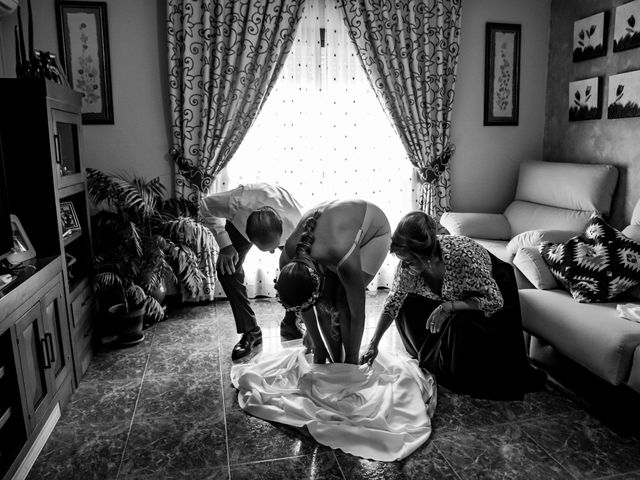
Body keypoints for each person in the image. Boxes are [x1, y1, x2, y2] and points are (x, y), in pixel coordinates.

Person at [359, 211, 546, 400]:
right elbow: (393, 302)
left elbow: (495, 301)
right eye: (401, 261)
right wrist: (373, 344)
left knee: (460, 323)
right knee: (405, 303)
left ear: (426, 257)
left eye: (408, 261)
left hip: (491, 291)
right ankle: (436, 359)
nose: (404, 267)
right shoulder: (409, 265)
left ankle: (461, 367)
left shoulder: (462, 258)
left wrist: (450, 306)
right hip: (456, 293)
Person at [275, 199, 391, 364]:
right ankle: (334, 358)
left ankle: (348, 359)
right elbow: (304, 305)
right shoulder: (287, 259)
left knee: (343, 299)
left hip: (373, 232)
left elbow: (358, 314)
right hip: (337, 229)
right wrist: (318, 345)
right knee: (325, 301)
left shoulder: (342, 256)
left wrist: (352, 358)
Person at [200, 183, 304, 360]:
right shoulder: (234, 204)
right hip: (242, 218)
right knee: (226, 269)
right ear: (249, 237)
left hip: (283, 220)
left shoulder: (296, 223)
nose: (272, 253)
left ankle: (291, 321)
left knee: (299, 271)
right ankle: (251, 330)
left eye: (273, 248)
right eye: (265, 250)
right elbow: (205, 206)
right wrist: (226, 245)